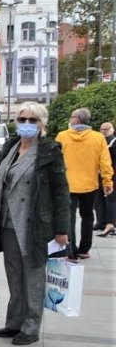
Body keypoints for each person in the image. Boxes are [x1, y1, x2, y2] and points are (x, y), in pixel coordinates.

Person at [0, 102, 70, 345]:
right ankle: (14, 322)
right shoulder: (12, 146)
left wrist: (62, 229)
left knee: (32, 275)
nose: (26, 124)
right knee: (14, 274)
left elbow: (61, 192)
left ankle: (31, 327)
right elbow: (0, 182)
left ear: (42, 124)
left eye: (32, 120)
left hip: (34, 224)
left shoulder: (50, 151)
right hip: (8, 222)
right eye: (22, 119)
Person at [55, 108, 114, 260]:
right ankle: (84, 249)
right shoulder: (98, 138)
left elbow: (55, 160)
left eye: (71, 116)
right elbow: (105, 162)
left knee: (69, 217)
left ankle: (71, 250)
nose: (70, 119)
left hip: (67, 184)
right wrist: (107, 181)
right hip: (90, 184)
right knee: (87, 216)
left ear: (77, 120)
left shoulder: (62, 136)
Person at [100, 122, 116, 237]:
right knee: (105, 200)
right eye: (102, 129)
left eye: (106, 129)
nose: (104, 131)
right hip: (107, 174)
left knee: (111, 199)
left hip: (111, 174)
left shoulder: (112, 141)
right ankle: (105, 222)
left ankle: (110, 224)